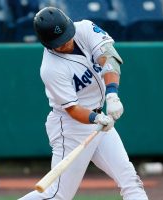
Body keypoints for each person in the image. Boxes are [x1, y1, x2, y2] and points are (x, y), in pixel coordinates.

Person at [19, 7, 149, 200]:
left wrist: (112, 95)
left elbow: (109, 57)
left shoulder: (86, 29)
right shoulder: (50, 68)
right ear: (47, 43)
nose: (65, 43)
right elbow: (72, 109)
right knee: (57, 195)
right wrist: (96, 118)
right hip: (71, 127)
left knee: (130, 180)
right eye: (59, 42)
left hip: (101, 123)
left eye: (66, 37)